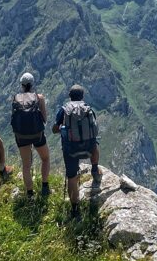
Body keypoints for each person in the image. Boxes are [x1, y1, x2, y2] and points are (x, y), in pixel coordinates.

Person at [52, 84, 101, 219]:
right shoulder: (88, 109)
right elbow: (94, 130)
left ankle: (75, 209)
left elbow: (55, 129)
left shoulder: (64, 110)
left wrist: (60, 128)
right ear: (82, 96)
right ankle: (95, 169)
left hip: (71, 150)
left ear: (69, 96)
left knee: (72, 178)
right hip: (89, 149)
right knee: (95, 142)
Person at [11, 72, 50, 199]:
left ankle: (30, 195)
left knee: (26, 165)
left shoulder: (15, 98)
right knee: (45, 158)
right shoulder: (39, 98)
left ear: (21, 84)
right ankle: (45, 187)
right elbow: (44, 118)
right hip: (37, 135)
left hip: (21, 136)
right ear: (33, 84)